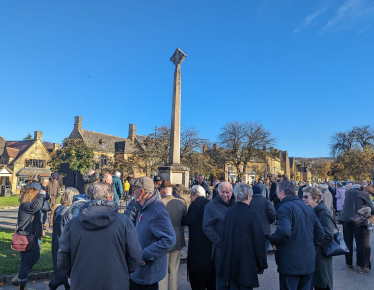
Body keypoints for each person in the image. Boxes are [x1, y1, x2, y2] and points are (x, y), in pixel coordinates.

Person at [57, 182, 142, 290]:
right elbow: (135, 255)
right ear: (111, 198)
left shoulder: (73, 224)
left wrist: (74, 274)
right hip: (116, 282)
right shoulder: (124, 222)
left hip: (82, 282)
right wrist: (123, 271)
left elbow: (63, 257)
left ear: (90, 197)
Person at [269, 180, 325, 290]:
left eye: (277, 192)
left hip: (290, 263)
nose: (277, 195)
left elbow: (284, 231)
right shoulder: (308, 208)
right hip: (307, 261)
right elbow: (320, 234)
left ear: (283, 193)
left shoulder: (284, 208)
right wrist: (310, 247)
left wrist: (272, 240)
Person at [129, 176, 176, 290]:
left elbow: (169, 239)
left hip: (147, 275)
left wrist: (144, 255)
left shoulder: (157, 209)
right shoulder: (142, 206)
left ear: (142, 191)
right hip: (137, 273)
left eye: (134, 189)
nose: (132, 192)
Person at [220, 184, 268, 290]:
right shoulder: (253, 215)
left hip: (231, 260)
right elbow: (258, 241)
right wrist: (261, 263)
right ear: (248, 196)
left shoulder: (229, 212)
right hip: (247, 262)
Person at [203, 182, 236, 290]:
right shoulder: (211, 206)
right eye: (222, 192)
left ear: (232, 192)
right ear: (218, 191)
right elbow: (207, 226)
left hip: (235, 247)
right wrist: (219, 241)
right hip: (220, 248)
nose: (225, 195)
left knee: (234, 279)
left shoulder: (237, 204)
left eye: (228, 192)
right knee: (221, 278)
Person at [182, 185, 215, 290]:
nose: (190, 197)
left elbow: (189, 221)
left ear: (195, 194)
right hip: (208, 238)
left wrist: (182, 218)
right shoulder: (209, 203)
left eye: (191, 194)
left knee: (197, 268)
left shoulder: (195, 205)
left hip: (197, 239)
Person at [302, 186, 334, 290]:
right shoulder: (313, 210)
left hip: (321, 255)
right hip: (317, 254)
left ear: (316, 199)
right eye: (302, 197)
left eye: (306, 197)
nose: (303, 199)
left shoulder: (322, 212)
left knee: (322, 283)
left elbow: (328, 234)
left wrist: (313, 244)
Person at [16, 184, 46, 290]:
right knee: (26, 261)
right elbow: (38, 205)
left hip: (32, 237)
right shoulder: (25, 205)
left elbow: (41, 209)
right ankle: (22, 286)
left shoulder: (30, 205)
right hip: (26, 237)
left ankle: (20, 275)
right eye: (36, 194)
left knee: (35, 256)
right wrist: (42, 195)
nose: (38, 196)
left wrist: (41, 231)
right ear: (31, 194)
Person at [49, 187, 79, 290]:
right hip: (67, 244)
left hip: (56, 243)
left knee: (59, 268)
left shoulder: (58, 209)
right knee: (67, 272)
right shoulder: (71, 212)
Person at [159, 180, 187, 290]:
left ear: (162, 190)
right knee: (175, 268)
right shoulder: (182, 202)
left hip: (163, 239)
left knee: (163, 269)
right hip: (177, 238)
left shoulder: (159, 203)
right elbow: (184, 219)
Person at [339, 185, 374, 273]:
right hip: (358, 221)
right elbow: (372, 209)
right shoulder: (362, 194)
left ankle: (349, 264)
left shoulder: (347, 192)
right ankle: (360, 266)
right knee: (360, 244)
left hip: (345, 220)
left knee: (348, 243)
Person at [250, 185, 276, 251]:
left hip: (252, 231)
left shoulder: (249, 202)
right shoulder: (266, 201)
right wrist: (269, 221)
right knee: (263, 251)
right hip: (265, 231)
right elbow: (272, 213)